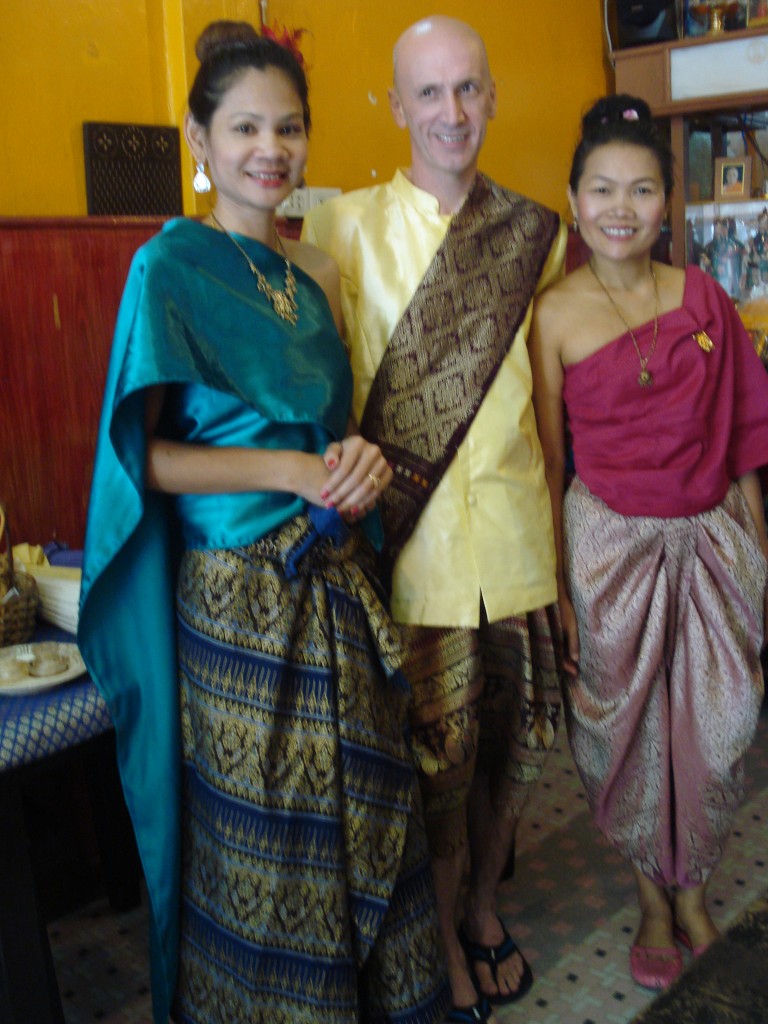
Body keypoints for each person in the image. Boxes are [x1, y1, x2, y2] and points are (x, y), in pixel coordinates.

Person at [77, 20, 451, 1024]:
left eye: (288, 128)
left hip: (334, 581)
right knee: (271, 828)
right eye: (244, 127)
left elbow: (342, 433)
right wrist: (292, 466)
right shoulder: (169, 268)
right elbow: (145, 456)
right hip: (237, 598)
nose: (269, 150)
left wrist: (354, 463)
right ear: (198, 139)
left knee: (372, 812)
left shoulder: (317, 273)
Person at [303, 16, 565, 1023]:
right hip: (408, 552)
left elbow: (546, 394)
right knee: (427, 764)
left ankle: (483, 908)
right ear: (394, 104)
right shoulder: (337, 231)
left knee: (505, 749)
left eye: (468, 90)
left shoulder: (532, 232)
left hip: (514, 535)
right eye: (429, 93)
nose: (452, 113)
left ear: (492, 96)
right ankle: (435, 934)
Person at [529, 94, 768, 992]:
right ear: (574, 198)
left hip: (713, 543)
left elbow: (745, 432)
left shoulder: (703, 296)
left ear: (668, 204)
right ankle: (653, 903)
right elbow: (553, 464)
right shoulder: (553, 314)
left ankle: (696, 888)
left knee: (716, 728)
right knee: (626, 738)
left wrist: (759, 548)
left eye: (639, 190)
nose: (619, 208)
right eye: (601, 190)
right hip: (608, 554)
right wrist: (558, 581)